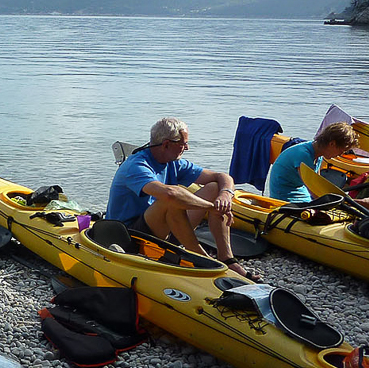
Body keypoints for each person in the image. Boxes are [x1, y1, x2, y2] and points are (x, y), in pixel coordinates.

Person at [107, 117, 261, 281]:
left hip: (164, 227)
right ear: (166, 144)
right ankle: (201, 259)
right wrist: (211, 208)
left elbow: (222, 177)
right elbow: (170, 195)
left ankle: (227, 258)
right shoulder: (136, 166)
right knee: (171, 198)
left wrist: (225, 195)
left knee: (215, 188)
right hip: (129, 234)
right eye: (183, 143)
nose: (186, 148)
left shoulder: (173, 162)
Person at [266, 122, 369, 207]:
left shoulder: (318, 154)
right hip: (285, 200)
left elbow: (319, 187)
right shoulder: (303, 155)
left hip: (303, 196)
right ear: (332, 144)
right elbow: (319, 195)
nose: (340, 155)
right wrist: (359, 203)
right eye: (341, 150)